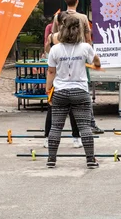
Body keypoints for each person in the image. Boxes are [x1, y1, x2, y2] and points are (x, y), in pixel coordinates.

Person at [46, 15, 101, 169]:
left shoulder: (55, 49)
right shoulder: (85, 47)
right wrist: (95, 62)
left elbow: (51, 72)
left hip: (61, 92)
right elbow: (96, 61)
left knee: (56, 127)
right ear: (79, 31)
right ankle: (90, 159)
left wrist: (48, 89)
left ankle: (51, 159)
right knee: (84, 127)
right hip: (80, 92)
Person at [43, 12, 82, 148]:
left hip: (58, 76)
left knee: (53, 109)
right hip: (66, 75)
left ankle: (49, 138)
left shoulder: (54, 37)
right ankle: (76, 137)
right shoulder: (67, 38)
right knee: (72, 109)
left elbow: (47, 52)